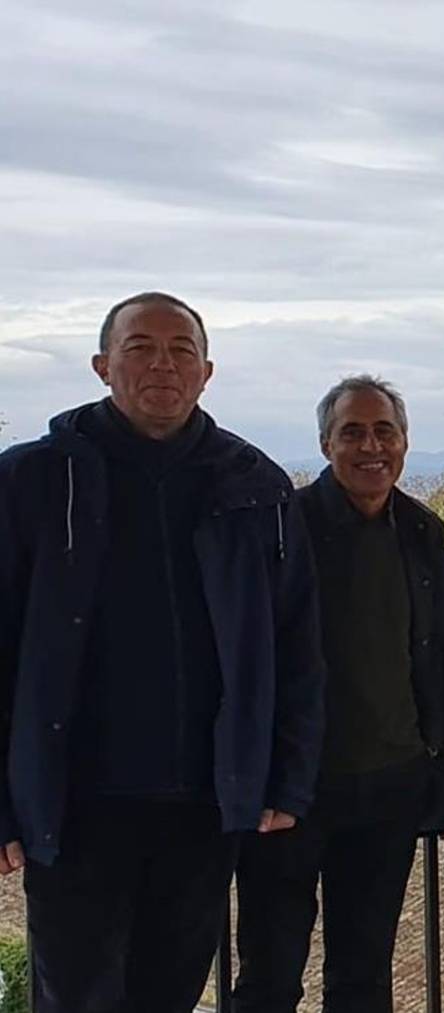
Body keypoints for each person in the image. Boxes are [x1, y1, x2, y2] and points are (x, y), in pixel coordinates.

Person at [0, 291, 326, 1012]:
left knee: (169, 992)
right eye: (141, 347)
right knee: (77, 996)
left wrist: (286, 777)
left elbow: (296, 646)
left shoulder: (256, 485)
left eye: (181, 350)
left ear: (207, 371)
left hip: (202, 801)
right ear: (102, 365)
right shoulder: (31, 480)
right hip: (75, 800)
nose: (163, 364)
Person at [233, 375, 444, 1012]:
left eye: (384, 430)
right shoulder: (283, 528)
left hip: (389, 786)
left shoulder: (422, 531)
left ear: (405, 442)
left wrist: (436, 764)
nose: (370, 446)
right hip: (293, 790)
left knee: (363, 975)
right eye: (352, 432)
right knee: (271, 972)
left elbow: (429, 653)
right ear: (326, 443)